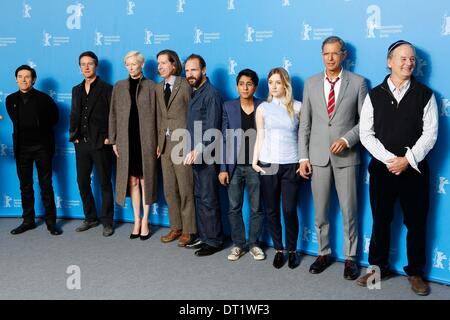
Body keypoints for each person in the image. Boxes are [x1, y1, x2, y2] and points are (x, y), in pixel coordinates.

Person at [357, 40, 438, 296]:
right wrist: (390, 160)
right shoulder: (375, 95)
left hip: (414, 170)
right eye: (403, 58)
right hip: (383, 170)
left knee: (416, 223)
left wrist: (407, 160)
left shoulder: (425, 94)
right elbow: (365, 134)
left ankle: (415, 273)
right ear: (389, 61)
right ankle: (377, 268)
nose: (409, 63)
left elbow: (430, 134)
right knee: (381, 220)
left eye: (412, 59)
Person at [298, 36, 368, 280]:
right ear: (321, 55)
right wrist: (302, 158)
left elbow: (365, 123)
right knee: (320, 212)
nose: (330, 58)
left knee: (349, 210)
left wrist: (347, 139)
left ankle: (350, 258)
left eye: (335, 53)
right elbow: (305, 124)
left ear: (344, 55)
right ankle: (323, 252)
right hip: (317, 158)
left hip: (347, 157)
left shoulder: (358, 83)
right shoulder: (311, 83)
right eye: (326, 53)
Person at [252, 67, 302, 269]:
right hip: (268, 164)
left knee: (289, 210)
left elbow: (303, 136)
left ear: (286, 84)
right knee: (271, 210)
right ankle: (279, 249)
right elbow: (260, 136)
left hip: (292, 164)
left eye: (278, 82)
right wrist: (255, 162)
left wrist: (303, 160)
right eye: (270, 82)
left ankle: (292, 250)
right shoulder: (263, 108)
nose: (273, 86)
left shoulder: (298, 107)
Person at [5, 65, 62, 235]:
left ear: (34, 79)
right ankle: (28, 220)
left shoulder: (44, 99)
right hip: (22, 148)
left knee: (46, 185)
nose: (23, 79)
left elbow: (55, 118)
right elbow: (15, 120)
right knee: (25, 186)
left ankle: (51, 223)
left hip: (41, 148)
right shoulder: (10, 100)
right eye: (20, 76)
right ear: (16, 79)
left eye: (27, 76)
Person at [109, 51, 157, 240]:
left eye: (134, 64)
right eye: (127, 64)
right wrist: (113, 139)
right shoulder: (119, 86)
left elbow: (158, 116)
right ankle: (136, 219)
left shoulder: (152, 86)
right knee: (133, 181)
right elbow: (112, 114)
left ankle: (146, 220)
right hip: (126, 140)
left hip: (146, 140)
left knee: (146, 180)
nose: (131, 67)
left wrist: (158, 142)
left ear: (141, 65)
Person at [219, 69, 265, 261]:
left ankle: (254, 243)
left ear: (255, 86)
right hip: (235, 166)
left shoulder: (264, 106)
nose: (245, 87)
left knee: (256, 208)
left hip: (256, 166)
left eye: (249, 83)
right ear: (236, 86)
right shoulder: (228, 107)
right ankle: (238, 244)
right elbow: (223, 139)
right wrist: (223, 168)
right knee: (234, 207)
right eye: (241, 83)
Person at [69, 51, 114, 237]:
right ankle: (90, 217)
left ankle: (107, 221)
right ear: (80, 67)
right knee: (82, 181)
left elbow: (114, 115)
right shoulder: (76, 90)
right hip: (82, 144)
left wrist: (109, 137)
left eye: (90, 63)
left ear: (96, 66)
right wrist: (74, 136)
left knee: (104, 182)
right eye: (83, 64)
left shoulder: (107, 88)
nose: (86, 67)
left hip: (101, 143)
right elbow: (74, 113)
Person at [183, 54, 224, 256]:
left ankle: (214, 241)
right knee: (200, 196)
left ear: (204, 70)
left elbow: (213, 128)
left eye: (194, 70)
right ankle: (205, 236)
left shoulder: (211, 94)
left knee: (208, 198)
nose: (190, 74)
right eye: (187, 70)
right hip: (195, 155)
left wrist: (198, 149)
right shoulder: (195, 92)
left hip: (207, 155)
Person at [155, 49, 196, 247]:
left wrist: (192, 145)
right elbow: (160, 117)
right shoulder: (157, 88)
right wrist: (158, 141)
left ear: (174, 64)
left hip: (183, 143)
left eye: (164, 63)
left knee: (185, 188)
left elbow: (192, 114)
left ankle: (189, 230)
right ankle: (176, 226)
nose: (160, 66)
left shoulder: (185, 85)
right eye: (158, 63)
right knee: (170, 189)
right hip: (165, 145)